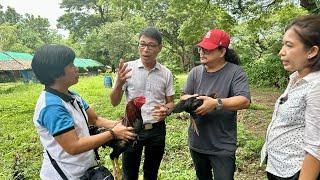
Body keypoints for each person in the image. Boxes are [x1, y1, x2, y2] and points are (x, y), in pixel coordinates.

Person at [31, 44, 136, 179]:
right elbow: (73, 146)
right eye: (71, 65)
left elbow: (96, 120)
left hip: (83, 170)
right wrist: (113, 134)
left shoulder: (73, 96)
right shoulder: (52, 107)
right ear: (56, 73)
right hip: (65, 174)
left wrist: (123, 124)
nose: (76, 69)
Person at [181, 29, 251, 180]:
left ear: (222, 51)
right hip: (198, 143)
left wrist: (216, 103)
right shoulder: (195, 72)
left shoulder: (235, 72)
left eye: (208, 49)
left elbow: (244, 100)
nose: (202, 52)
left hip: (222, 145)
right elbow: (184, 96)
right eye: (201, 48)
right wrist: (192, 99)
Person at [109, 27, 174, 180]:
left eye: (151, 45)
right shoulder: (127, 69)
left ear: (159, 48)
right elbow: (114, 102)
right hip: (131, 129)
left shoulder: (166, 73)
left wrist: (166, 109)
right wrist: (118, 83)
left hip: (157, 130)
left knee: (151, 173)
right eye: (142, 44)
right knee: (129, 173)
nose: (145, 49)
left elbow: (171, 102)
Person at [260, 15, 320, 180]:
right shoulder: (296, 78)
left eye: (289, 45)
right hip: (278, 166)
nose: (281, 52)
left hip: (295, 172)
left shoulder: (316, 87)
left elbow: (316, 149)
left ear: (312, 51)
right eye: (282, 44)